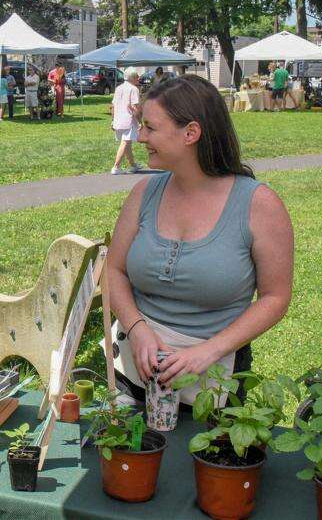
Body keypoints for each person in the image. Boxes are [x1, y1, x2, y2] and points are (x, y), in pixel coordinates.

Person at [106, 74, 294, 406]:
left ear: (191, 133)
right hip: (131, 369)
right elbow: (114, 271)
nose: (140, 137)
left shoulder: (259, 205)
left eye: (150, 128)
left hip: (212, 382)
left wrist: (206, 352)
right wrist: (137, 330)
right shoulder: (143, 194)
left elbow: (274, 298)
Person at [110, 67, 142, 175]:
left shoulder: (118, 88)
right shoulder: (134, 89)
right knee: (125, 143)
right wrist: (140, 122)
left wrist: (112, 120)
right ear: (132, 77)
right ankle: (116, 167)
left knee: (127, 144)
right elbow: (135, 107)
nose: (138, 78)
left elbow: (113, 106)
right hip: (129, 120)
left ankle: (133, 165)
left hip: (118, 120)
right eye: (137, 76)